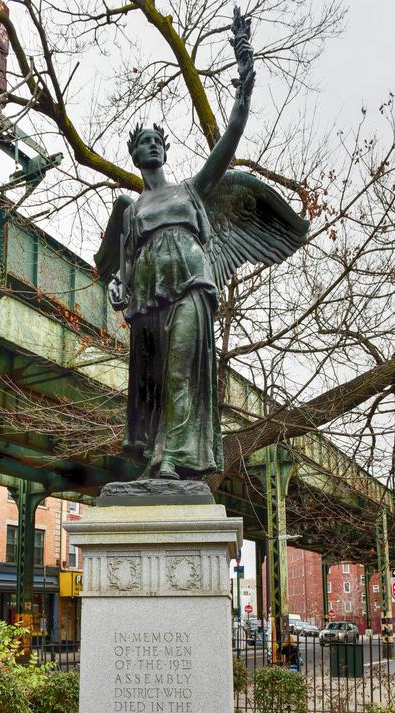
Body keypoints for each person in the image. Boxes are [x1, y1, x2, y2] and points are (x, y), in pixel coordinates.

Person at [95, 7, 308, 480]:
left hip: (190, 285)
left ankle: (170, 457)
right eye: (142, 142)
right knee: (151, 380)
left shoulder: (193, 191)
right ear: (134, 154)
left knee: (177, 374)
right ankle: (155, 454)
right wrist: (116, 285)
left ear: (165, 150)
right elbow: (123, 267)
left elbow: (230, 135)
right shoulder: (130, 210)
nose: (150, 146)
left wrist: (244, 82)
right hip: (149, 296)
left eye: (156, 140)